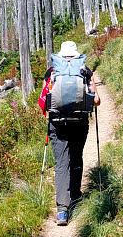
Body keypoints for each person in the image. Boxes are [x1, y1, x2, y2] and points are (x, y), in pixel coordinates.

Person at [38, 41, 100, 225]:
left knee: (61, 163)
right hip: (79, 122)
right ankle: (75, 196)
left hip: (57, 124)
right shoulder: (85, 70)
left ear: (62, 55)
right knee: (76, 157)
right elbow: (96, 100)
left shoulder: (52, 71)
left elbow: (44, 100)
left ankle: (62, 211)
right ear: (75, 54)